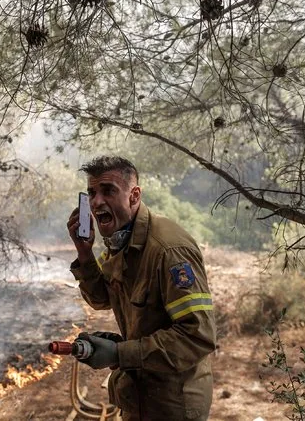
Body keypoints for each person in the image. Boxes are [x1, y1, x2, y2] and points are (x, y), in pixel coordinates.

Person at [66, 156, 216, 421]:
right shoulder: (122, 241)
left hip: (173, 406)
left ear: (134, 195)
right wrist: (85, 253)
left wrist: (121, 353)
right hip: (140, 396)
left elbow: (197, 337)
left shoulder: (169, 249)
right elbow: (101, 299)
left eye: (108, 190)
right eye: (91, 193)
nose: (96, 202)